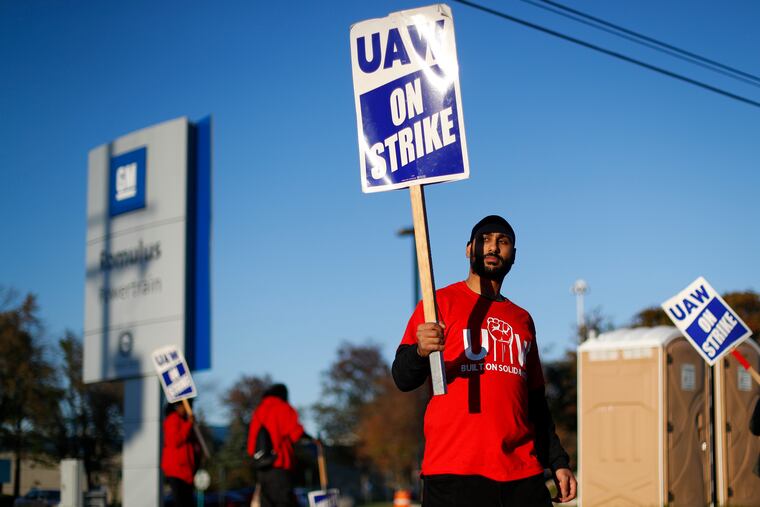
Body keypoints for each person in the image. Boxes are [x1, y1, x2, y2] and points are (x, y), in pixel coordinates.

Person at [392, 215, 577, 507]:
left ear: (513, 255)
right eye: (485, 240)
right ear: (468, 249)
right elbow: (403, 378)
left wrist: (558, 461)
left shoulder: (522, 319)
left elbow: (536, 402)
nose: (493, 247)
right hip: (454, 471)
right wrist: (419, 351)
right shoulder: (437, 303)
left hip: (521, 471)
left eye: (502, 242)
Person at [247, 384, 309, 507]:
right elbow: (295, 432)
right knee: (283, 501)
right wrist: (310, 438)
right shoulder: (282, 407)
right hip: (280, 464)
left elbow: (251, 445)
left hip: (262, 467)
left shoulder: (259, 411)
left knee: (267, 502)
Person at [161, 401, 199, 507]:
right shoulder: (173, 420)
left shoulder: (183, 421)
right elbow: (175, 441)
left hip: (186, 470)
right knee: (182, 502)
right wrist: (188, 425)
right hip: (177, 469)